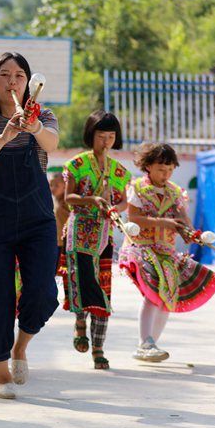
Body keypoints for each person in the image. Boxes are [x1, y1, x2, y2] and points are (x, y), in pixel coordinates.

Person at [0, 52, 60, 399]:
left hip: (37, 217)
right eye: (4, 75)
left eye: (19, 75)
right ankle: (1, 370)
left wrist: (32, 126)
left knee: (43, 292)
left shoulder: (44, 116)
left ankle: (22, 346)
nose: (12, 81)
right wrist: (4, 136)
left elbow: (51, 143)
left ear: (29, 83)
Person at [119, 143, 215, 362]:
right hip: (142, 248)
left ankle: (148, 345)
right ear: (147, 166)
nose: (165, 175)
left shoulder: (175, 192)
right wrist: (163, 223)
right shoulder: (137, 187)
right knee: (153, 291)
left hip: (166, 251)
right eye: (160, 170)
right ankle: (146, 342)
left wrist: (191, 234)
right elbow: (134, 218)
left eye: (169, 170)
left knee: (168, 296)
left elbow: (183, 218)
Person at [62, 111, 131, 369]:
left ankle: (98, 348)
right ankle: (79, 323)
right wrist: (92, 200)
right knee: (83, 284)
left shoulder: (120, 171)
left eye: (111, 136)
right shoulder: (76, 165)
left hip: (104, 236)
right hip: (79, 233)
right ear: (91, 135)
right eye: (101, 136)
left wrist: (115, 208)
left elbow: (124, 200)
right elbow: (69, 199)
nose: (106, 141)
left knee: (103, 290)